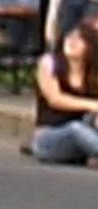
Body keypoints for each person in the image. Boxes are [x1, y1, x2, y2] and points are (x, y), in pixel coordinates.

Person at [26, 22, 98, 164]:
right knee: (75, 129)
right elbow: (55, 99)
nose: (72, 41)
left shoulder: (93, 74)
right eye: (70, 37)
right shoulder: (50, 63)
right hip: (48, 137)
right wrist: (93, 105)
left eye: (80, 39)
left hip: (83, 134)